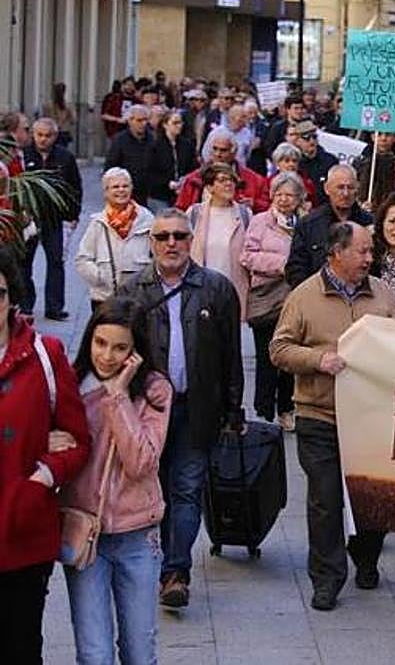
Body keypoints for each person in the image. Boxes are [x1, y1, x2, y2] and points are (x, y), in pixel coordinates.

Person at [271, 222, 395, 611]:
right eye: (362, 251)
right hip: (319, 414)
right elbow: (279, 349)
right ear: (336, 253)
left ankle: (366, 558)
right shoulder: (303, 296)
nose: (369, 258)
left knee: (374, 497)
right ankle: (326, 578)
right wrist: (318, 360)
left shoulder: (383, 294)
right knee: (325, 500)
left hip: (372, 417)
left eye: (371, 252)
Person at [118, 208, 244, 610]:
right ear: (151, 242)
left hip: (197, 408)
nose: (171, 244)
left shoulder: (216, 289)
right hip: (148, 412)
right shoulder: (132, 290)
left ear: (191, 241)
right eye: (162, 237)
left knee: (187, 489)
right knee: (154, 490)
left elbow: (231, 354)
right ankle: (153, 565)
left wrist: (234, 410)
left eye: (179, 236)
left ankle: (175, 573)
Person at [61, 298, 172, 665]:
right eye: (100, 343)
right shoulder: (72, 385)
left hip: (137, 534)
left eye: (120, 347)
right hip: (84, 532)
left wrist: (118, 397)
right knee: (94, 653)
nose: (107, 356)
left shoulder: (155, 390)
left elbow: (141, 462)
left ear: (135, 352)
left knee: (139, 651)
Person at [0, 248, 90, 661]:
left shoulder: (45, 354)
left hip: (24, 531)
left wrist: (46, 474)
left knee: (20, 648)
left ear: (11, 296)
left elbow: (79, 440)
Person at [240, 172, 304, 427]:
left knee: (289, 356)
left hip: (294, 298)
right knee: (266, 357)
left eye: (290, 195)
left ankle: (286, 408)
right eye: (279, 194)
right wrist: (281, 264)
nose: (284, 199)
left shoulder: (304, 223)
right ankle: (263, 411)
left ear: (299, 198)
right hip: (266, 297)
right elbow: (247, 256)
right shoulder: (260, 222)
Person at [22, 117, 82, 320]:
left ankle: (54, 307)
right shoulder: (24, 155)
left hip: (54, 218)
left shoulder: (65, 157)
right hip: (29, 218)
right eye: (39, 135)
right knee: (24, 263)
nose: (43, 139)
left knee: (56, 261)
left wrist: (73, 215)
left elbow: (75, 187)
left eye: (48, 135)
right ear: (33, 135)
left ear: (55, 136)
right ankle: (25, 305)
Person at [75, 167, 155, 309]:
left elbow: (158, 255)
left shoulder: (147, 219)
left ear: (131, 188)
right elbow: (82, 259)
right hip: (104, 298)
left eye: (125, 186)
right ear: (106, 192)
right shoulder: (98, 222)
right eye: (115, 187)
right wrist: (99, 277)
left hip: (138, 298)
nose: (121, 190)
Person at [286, 165, 373, 287]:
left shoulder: (369, 222)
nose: (345, 193)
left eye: (350, 187)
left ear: (357, 188)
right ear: (327, 188)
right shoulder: (308, 224)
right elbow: (295, 268)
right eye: (340, 187)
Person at [184, 162, 251, 319]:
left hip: (235, 288)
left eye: (231, 180)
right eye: (222, 180)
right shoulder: (194, 213)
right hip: (202, 288)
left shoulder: (245, 214)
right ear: (209, 187)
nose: (228, 184)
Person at [174, 127, 270, 213]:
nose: (218, 154)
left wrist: (254, 204)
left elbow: (268, 206)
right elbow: (180, 210)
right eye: (215, 149)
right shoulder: (193, 179)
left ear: (234, 152)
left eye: (223, 150)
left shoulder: (255, 180)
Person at [147, 109, 198, 212]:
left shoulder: (187, 145)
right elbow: (149, 172)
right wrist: (168, 183)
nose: (179, 126)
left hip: (183, 193)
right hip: (160, 195)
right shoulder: (154, 146)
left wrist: (184, 180)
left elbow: (193, 167)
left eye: (181, 122)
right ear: (165, 125)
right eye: (175, 123)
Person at [105, 105, 155, 205]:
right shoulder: (120, 140)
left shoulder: (153, 139)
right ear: (130, 121)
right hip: (127, 192)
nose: (143, 124)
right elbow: (111, 165)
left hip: (150, 192)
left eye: (145, 120)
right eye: (139, 120)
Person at [271, 142, 318, 208]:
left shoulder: (307, 182)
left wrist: (310, 204)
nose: (291, 164)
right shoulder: (268, 182)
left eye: (294, 161)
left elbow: (315, 202)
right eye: (287, 161)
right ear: (277, 163)